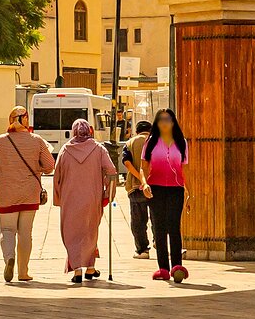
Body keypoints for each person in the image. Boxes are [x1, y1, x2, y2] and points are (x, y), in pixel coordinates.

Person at [0, 107, 56, 283]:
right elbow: (50, 165)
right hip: (30, 192)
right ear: (24, 120)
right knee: (26, 233)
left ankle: (9, 258)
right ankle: (23, 272)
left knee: (7, 230)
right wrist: (37, 169)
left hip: (7, 193)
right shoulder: (37, 141)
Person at [53, 118, 118, 283]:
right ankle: (90, 268)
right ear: (89, 131)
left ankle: (77, 271)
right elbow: (111, 170)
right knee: (90, 233)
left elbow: (57, 176)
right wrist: (108, 192)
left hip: (70, 200)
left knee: (71, 234)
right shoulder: (99, 149)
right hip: (92, 198)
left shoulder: (65, 150)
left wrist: (58, 197)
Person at [143, 109, 190, 283]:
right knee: (159, 228)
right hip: (155, 188)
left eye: (168, 119)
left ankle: (177, 265)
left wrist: (188, 191)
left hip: (176, 189)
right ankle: (163, 267)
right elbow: (144, 167)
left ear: (173, 122)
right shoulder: (151, 142)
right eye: (161, 120)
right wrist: (144, 183)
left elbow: (185, 168)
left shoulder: (181, 142)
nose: (164, 123)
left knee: (174, 227)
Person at [119, 121, 153, 256]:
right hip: (154, 186)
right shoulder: (156, 142)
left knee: (138, 220)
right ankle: (158, 241)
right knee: (156, 217)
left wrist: (139, 177)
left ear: (137, 131)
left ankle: (142, 249)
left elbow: (126, 162)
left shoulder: (130, 143)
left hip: (135, 187)